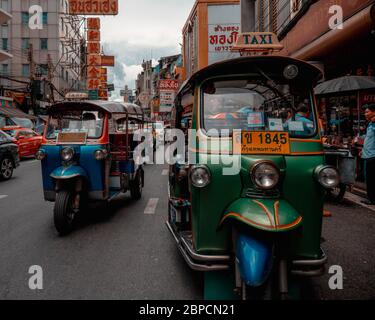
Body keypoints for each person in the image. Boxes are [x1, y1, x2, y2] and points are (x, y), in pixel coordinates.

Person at [361, 104, 375, 205]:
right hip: (368, 154)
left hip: (373, 156)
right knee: (369, 178)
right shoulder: (370, 124)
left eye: (367, 112)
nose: (365, 114)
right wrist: (363, 149)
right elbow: (369, 138)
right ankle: (371, 197)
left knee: (371, 179)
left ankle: (372, 199)